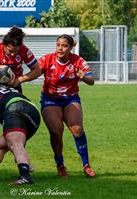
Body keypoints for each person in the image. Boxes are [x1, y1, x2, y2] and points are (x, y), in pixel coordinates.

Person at [38, 34, 95, 178]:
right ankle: (60, 165)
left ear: (71, 47)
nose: (60, 48)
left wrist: (83, 77)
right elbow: (34, 72)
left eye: (64, 46)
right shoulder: (47, 59)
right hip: (50, 99)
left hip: (71, 99)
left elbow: (91, 81)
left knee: (77, 129)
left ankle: (86, 165)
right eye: (58, 45)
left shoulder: (78, 61)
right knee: (56, 132)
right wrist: (19, 78)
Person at [0, 26, 41, 93]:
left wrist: (19, 80)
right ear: (4, 45)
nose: (13, 54)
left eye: (16, 51)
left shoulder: (23, 50)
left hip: (14, 85)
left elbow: (37, 70)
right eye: (10, 51)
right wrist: (3, 87)